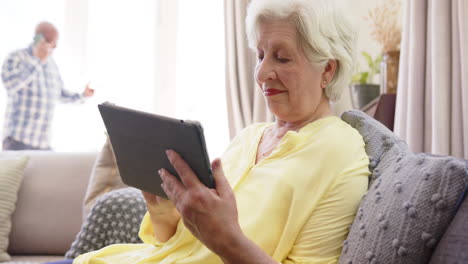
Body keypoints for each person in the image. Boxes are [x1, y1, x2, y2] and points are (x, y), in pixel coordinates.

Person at [48, 0, 369, 263]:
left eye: (282, 58)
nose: (261, 72)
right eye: (260, 55)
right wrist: (166, 212)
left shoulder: (342, 154)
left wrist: (226, 239)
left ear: (327, 69)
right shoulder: (249, 138)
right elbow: (180, 245)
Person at [1, 21, 94, 151]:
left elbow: (60, 95)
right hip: (18, 140)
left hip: (43, 143)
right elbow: (11, 84)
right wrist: (38, 60)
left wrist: (84, 95)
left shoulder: (51, 64)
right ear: (39, 39)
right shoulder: (16, 57)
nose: (55, 46)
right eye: (52, 41)